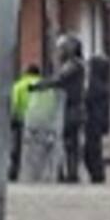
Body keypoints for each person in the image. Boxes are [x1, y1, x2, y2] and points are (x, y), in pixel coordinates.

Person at [32, 34, 85, 184]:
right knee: (67, 141)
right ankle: (65, 171)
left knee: (69, 141)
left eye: (61, 49)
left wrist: (39, 86)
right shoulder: (71, 65)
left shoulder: (74, 65)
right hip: (68, 107)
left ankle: (70, 173)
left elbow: (59, 80)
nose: (59, 52)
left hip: (71, 108)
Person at [9, 64, 41, 181]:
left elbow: (14, 103)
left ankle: (14, 172)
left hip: (21, 120)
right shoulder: (44, 85)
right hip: (39, 121)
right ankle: (35, 172)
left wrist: (13, 117)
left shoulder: (19, 85)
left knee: (17, 148)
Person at [84, 55, 110, 184]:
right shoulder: (102, 84)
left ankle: (97, 173)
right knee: (94, 149)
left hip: (94, 120)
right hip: (97, 121)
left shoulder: (96, 84)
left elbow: (88, 99)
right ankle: (97, 173)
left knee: (92, 149)